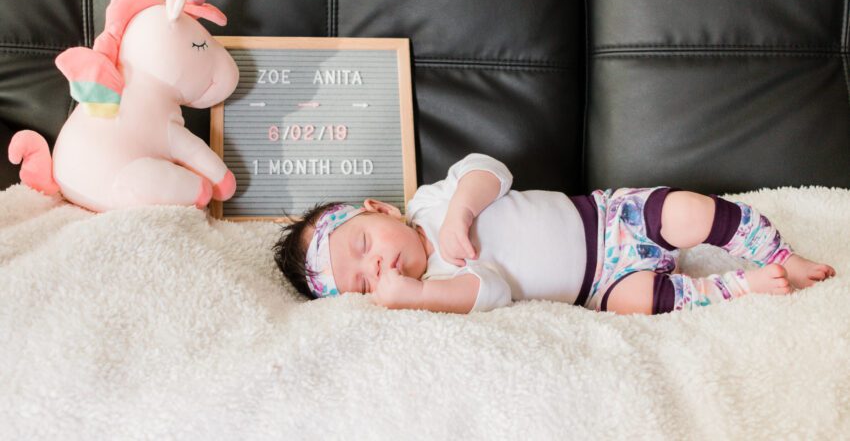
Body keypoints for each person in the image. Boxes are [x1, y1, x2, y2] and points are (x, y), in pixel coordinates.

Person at [272, 153, 836, 314]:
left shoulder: (431, 201)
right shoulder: (439, 288)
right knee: (641, 303)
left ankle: (777, 250)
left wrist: (460, 215)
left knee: (687, 211)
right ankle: (744, 286)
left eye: (363, 246)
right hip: (599, 287)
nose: (376, 269)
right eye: (364, 285)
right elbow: (492, 291)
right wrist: (417, 295)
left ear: (380, 209)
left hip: (608, 218)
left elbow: (491, 169)